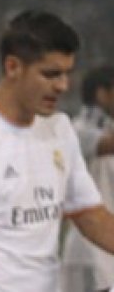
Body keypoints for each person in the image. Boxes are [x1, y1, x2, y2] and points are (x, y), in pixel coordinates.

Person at [0, 10, 114, 292]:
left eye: (66, 73)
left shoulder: (59, 129)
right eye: (51, 74)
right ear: (13, 67)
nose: (62, 85)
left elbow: (90, 215)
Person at [62, 66, 114, 292]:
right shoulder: (77, 129)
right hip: (88, 253)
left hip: (107, 245)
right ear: (102, 93)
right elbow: (105, 144)